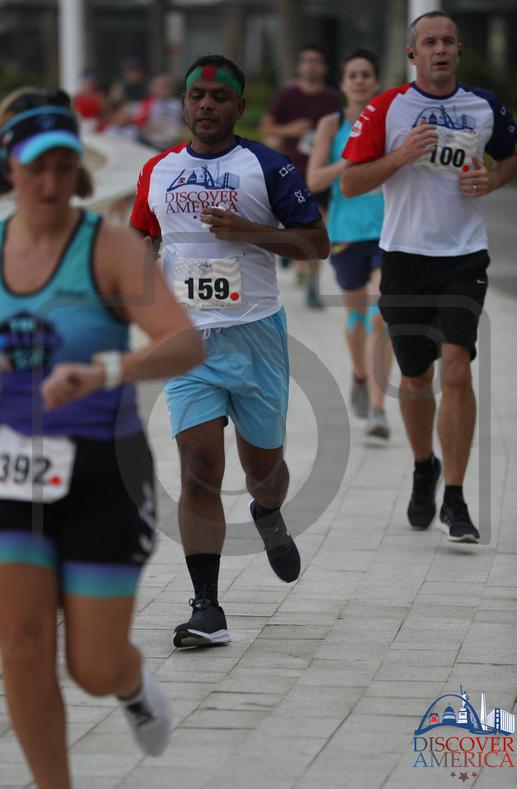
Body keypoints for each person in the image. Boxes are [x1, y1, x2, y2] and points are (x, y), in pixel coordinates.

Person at [0, 87, 204, 788]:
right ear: (10, 166)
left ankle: (130, 680)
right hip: (13, 471)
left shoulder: (108, 246)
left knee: (91, 665)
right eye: (37, 168)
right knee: (21, 643)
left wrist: (107, 370)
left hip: (102, 472)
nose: (51, 183)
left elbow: (184, 344)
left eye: (65, 166)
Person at [130, 54, 329, 648]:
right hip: (189, 341)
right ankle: (207, 608)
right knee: (198, 468)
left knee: (264, 472)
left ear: (240, 107)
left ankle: (267, 512)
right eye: (197, 95)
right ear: (184, 104)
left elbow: (317, 244)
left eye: (220, 97)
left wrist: (250, 233)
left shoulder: (267, 166)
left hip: (256, 335)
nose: (207, 104)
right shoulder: (158, 170)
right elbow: (140, 239)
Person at [341, 11, 517, 542]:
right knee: (417, 378)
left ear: (459, 50)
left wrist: (492, 180)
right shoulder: (386, 107)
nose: (439, 49)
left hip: (464, 256)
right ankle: (425, 467)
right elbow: (350, 182)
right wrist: (401, 155)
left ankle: (457, 498)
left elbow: (511, 156)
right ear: (412, 53)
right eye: (429, 42)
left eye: (447, 41)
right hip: (404, 257)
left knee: (457, 370)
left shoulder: (485, 106)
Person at [306, 49, 393, 439]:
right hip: (345, 233)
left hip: (388, 231)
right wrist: (350, 161)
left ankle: (377, 408)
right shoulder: (332, 123)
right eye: (352, 75)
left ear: (376, 82)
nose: (359, 80)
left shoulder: (390, 120)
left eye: (366, 74)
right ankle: (359, 374)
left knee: (381, 315)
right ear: (342, 84)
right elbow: (314, 180)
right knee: (356, 319)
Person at [260, 44, 341, 307]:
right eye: (307, 61)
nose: (311, 66)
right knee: (296, 226)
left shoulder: (333, 98)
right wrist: (290, 130)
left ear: (324, 67)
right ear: (300, 66)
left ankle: (312, 286)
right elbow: (267, 128)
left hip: (320, 172)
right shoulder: (288, 95)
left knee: (317, 228)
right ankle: (290, 249)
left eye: (316, 61)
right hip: (291, 172)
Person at [135, 72, 184, 151]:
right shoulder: (147, 103)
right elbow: (139, 125)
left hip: (174, 142)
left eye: (166, 86)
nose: (164, 89)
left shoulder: (178, 104)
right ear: (153, 88)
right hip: (152, 143)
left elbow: (185, 125)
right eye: (161, 86)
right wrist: (153, 127)